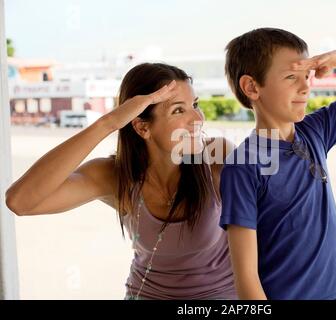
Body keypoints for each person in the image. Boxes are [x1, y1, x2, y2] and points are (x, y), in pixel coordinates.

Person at [6, 62, 237, 300]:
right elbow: (21, 202)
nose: (198, 118)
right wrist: (109, 123)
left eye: (195, 105)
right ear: (142, 127)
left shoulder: (217, 157)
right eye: (179, 110)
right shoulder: (116, 177)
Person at [219, 28, 336, 300]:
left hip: (335, 292)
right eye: (290, 77)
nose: (305, 86)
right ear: (252, 87)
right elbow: (246, 276)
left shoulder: (315, 131)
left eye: (306, 76)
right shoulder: (242, 167)